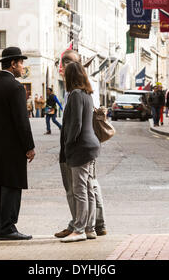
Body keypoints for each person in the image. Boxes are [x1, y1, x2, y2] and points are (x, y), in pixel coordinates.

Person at [0, 47, 35, 241]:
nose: (23, 67)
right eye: (21, 63)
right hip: (12, 146)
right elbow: (22, 121)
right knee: (12, 185)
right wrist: (29, 146)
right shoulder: (16, 87)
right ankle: (7, 228)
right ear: (13, 64)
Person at [55, 49, 107, 239]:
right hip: (91, 145)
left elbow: (75, 123)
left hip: (80, 147)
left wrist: (68, 144)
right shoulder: (86, 93)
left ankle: (79, 229)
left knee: (79, 190)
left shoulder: (76, 95)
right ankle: (90, 229)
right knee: (88, 189)